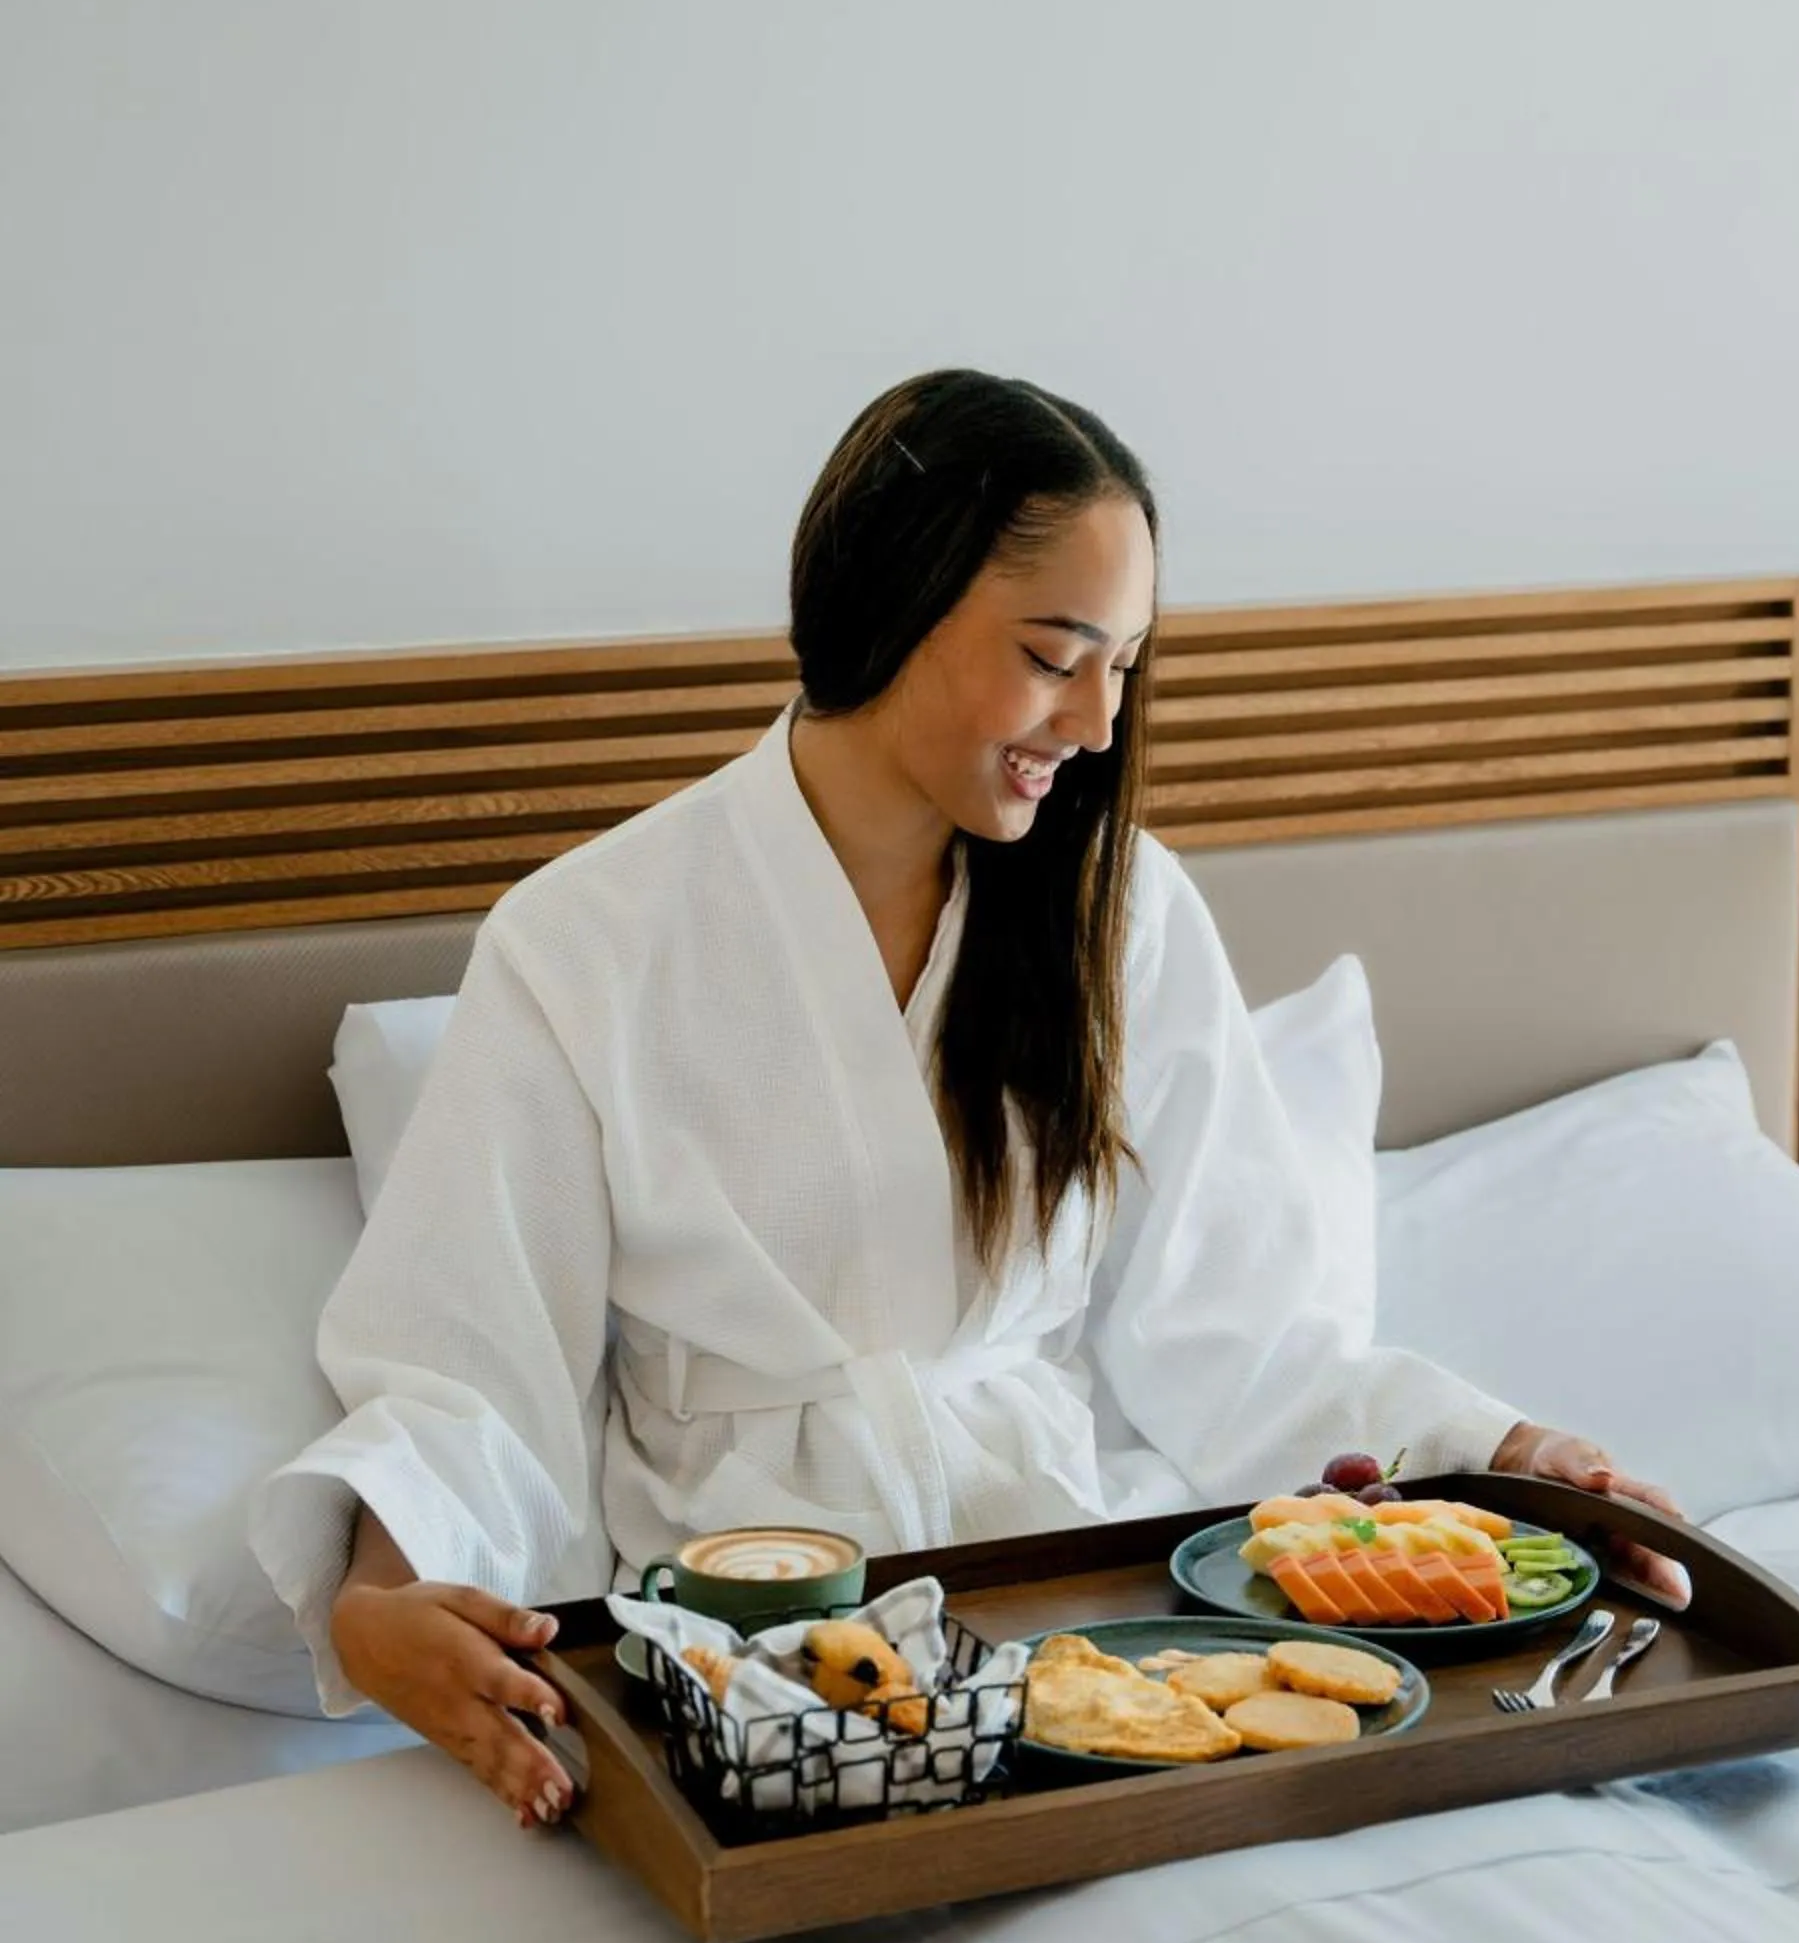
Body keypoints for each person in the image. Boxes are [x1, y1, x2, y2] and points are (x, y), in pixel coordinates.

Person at [254, 370, 1688, 1830]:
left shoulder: (1118, 916)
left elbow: (1244, 1336)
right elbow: (471, 1364)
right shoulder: (590, 941)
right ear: (900, 592)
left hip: (1070, 1617)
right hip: (755, 1655)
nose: (1099, 723)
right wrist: (380, 1596)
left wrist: (1504, 1462)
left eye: (1125, 664)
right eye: (1057, 654)